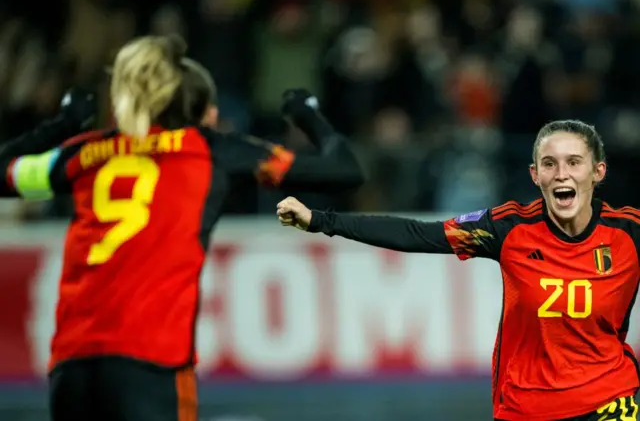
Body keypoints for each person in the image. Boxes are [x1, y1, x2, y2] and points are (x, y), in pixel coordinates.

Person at [0, 35, 363, 421]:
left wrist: (63, 124)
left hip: (72, 367)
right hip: (152, 362)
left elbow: (5, 173)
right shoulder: (211, 150)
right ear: (201, 111)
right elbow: (344, 170)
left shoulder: (83, 153)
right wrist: (309, 116)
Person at [276, 119, 640, 421]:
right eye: (549, 164)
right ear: (534, 175)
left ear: (598, 172)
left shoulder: (629, 234)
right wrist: (320, 220)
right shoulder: (508, 228)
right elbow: (419, 234)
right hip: (528, 406)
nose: (562, 174)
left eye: (574, 162)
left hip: (611, 399)